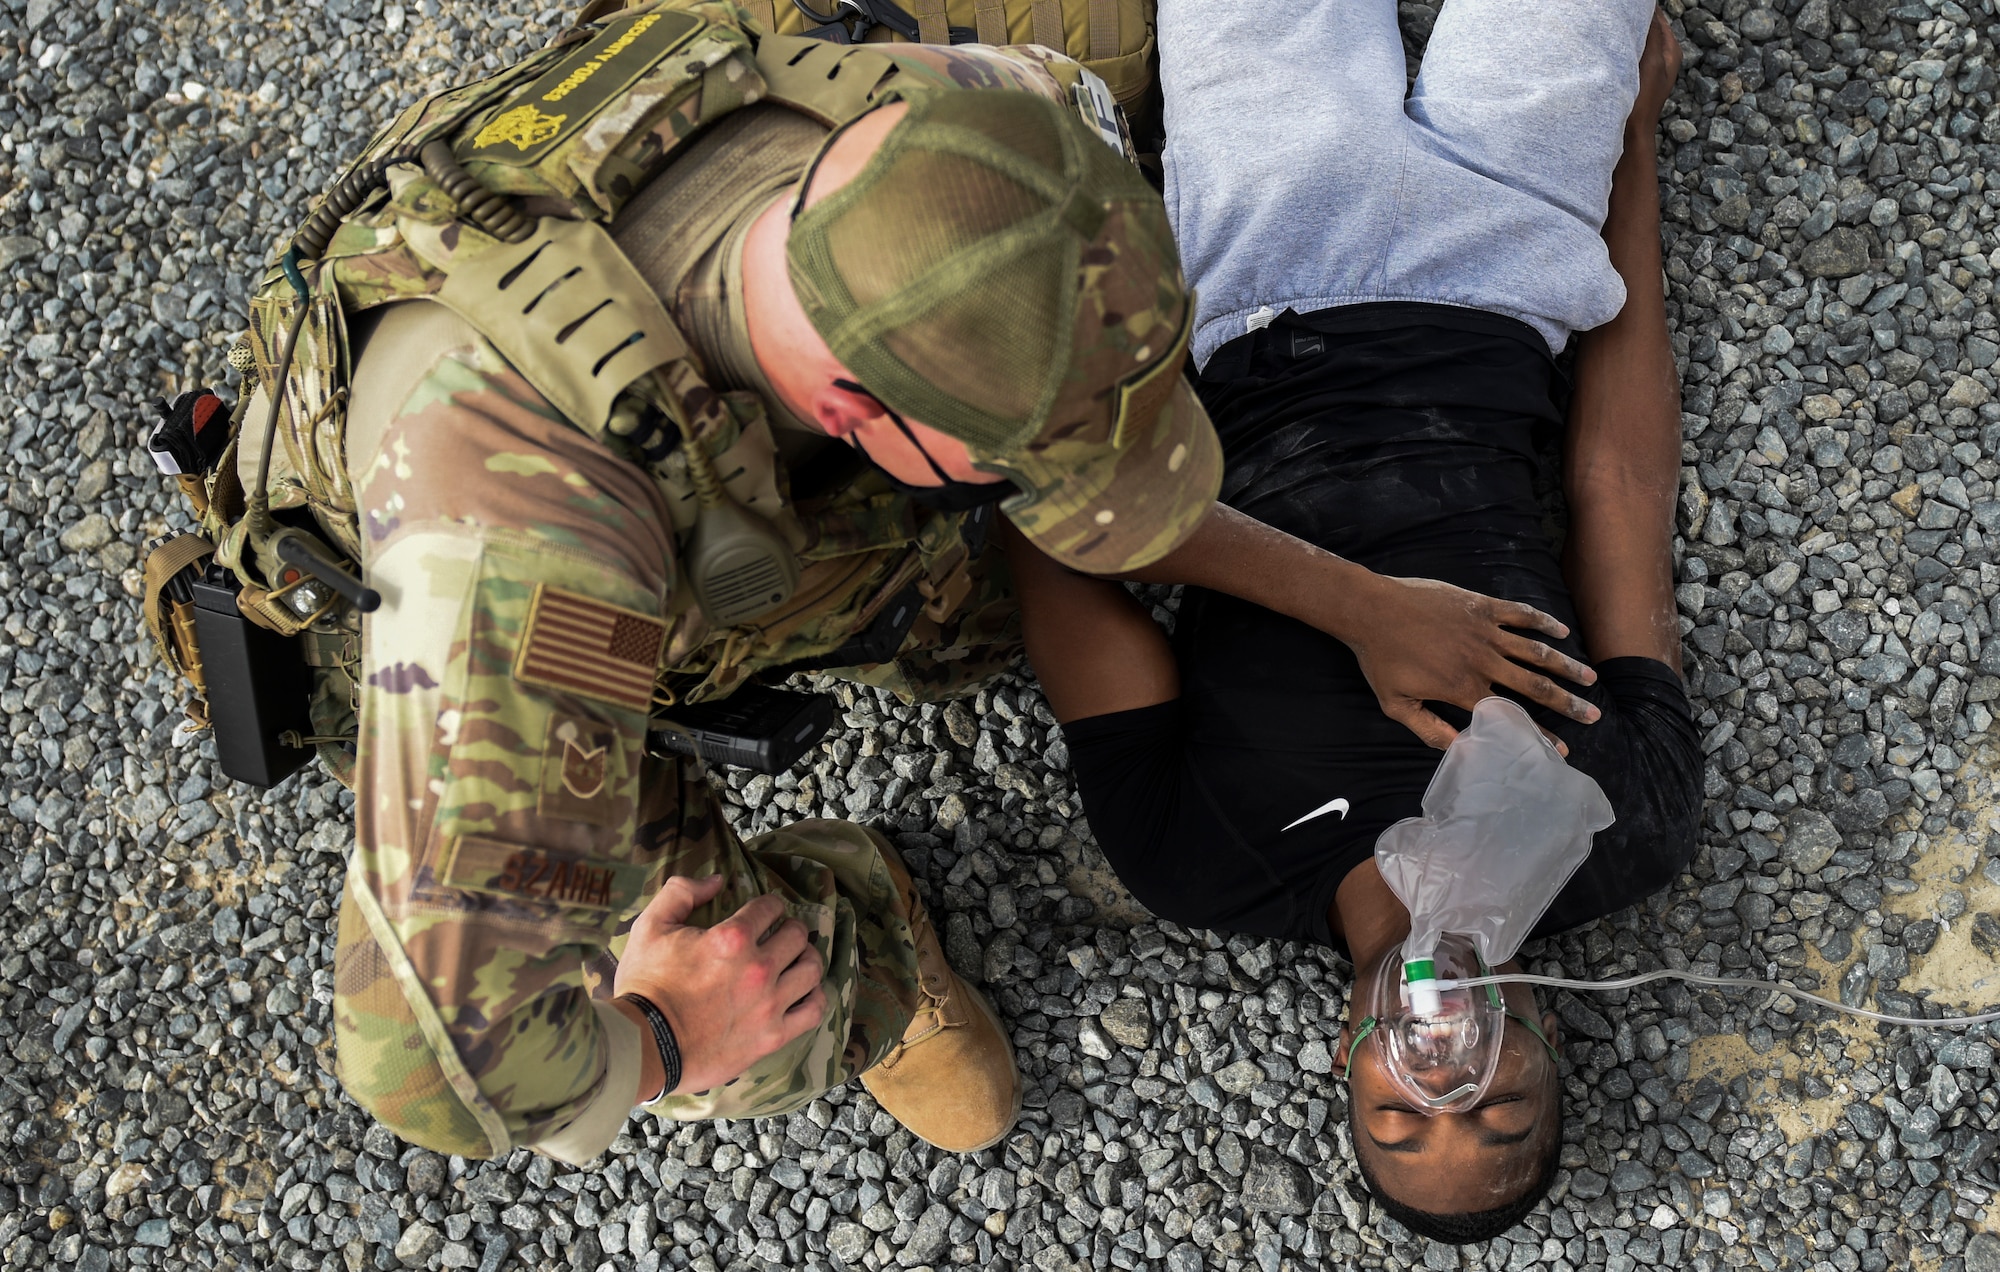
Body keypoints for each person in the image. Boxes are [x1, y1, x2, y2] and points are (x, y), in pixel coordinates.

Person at [263, 1, 1607, 1165]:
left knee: (995, 597)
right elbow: (434, 1066)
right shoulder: (535, 574)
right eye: (1033, 454)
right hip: (557, 568)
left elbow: (1069, 465)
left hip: (721, 408)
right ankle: (870, 957)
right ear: (853, 403)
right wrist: (659, 1042)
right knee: (742, 941)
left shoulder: (985, 118)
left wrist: (1349, 598)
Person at [1002, 0, 1700, 1242]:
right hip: (1512, 262)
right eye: (1502, 1111)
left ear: (1346, 1062)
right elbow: (1621, 492)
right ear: (1543, 1045)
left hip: (1264, 262)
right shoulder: (1619, 827)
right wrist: (1631, 165)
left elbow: (1055, 548)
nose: (1452, 1085)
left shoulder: (1201, 859)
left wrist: (1362, 610)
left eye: (1402, 1118)